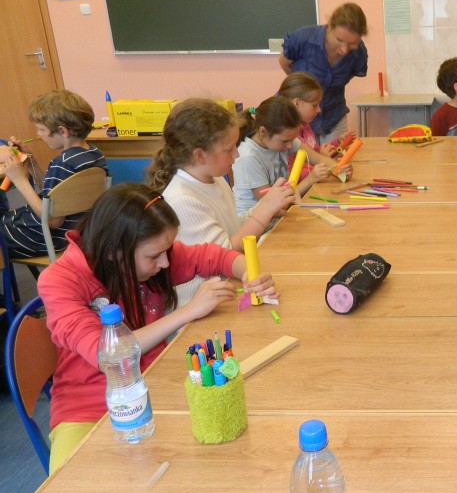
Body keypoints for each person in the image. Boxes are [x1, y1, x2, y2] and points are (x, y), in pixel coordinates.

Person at [37, 183, 279, 473]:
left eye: (167, 251)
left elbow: (218, 257)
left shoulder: (147, 253)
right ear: (114, 252)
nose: (165, 263)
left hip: (157, 385)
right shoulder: (60, 280)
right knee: (77, 487)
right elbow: (108, 354)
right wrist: (188, 312)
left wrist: (250, 275)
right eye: (154, 256)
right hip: (88, 408)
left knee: (220, 460)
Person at [147, 98, 294, 303]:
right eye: (229, 149)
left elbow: (231, 227)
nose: (236, 154)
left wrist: (267, 207)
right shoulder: (182, 200)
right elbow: (226, 254)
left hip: (228, 289)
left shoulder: (214, 179)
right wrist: (264, 211)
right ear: (200, 156)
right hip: (201, 307)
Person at [0, 90, 107, 257]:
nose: (38, 134)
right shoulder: (94, 154)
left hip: (46, 238)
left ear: (63, 131)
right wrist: (32, 163)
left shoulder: (62, 164)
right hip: (75, 234)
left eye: (41, 129)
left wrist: (20, 180)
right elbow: (55, 196)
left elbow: (52, 220)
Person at [279, 2, 368, 143]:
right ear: (330, 27)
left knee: (337, 154)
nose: (344, 50)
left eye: (352, 44)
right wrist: (302, 88)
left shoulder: (359, 52)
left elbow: (349, 75)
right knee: (301, 156)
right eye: (339, 40)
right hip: (298, 115)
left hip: (333, 115)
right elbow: (284, 62)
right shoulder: (304, 38)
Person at [232, 96, 330, 217]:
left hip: (278, 215)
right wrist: (310, 180)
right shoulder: (249, 157)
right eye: (285, 141)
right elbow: (273, 205)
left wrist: (339, 168)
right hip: (258, 224)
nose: (290, 146)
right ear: (263, 132)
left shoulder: (283, 139)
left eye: (292, 139)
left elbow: (318, 158)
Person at [277, 71, 355, 182]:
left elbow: (316, 153)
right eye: (314, 105)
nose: (319, 110)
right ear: (297, 103)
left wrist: (338, 143)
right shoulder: (286, 136)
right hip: (303, 189)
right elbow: (290, 174)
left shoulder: (305, 126)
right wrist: (321, 167)